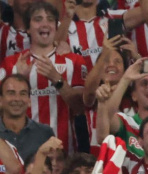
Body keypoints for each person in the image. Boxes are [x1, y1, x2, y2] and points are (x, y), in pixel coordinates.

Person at [0, 2, 85, 153]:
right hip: (22, 155)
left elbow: (80, 108)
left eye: (50, 19)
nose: (44, 24)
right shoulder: (10, 64)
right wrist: (19, 79)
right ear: (27, 28)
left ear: (56, 26)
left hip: (63, 153)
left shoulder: (74, 61)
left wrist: (58, 81)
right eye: (38, 19)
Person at [0, 74, 55, 161]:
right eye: (11, 93)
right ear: (1, 100)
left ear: (29, 100)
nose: (17, 99)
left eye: (23, 93)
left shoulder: (45, 133)